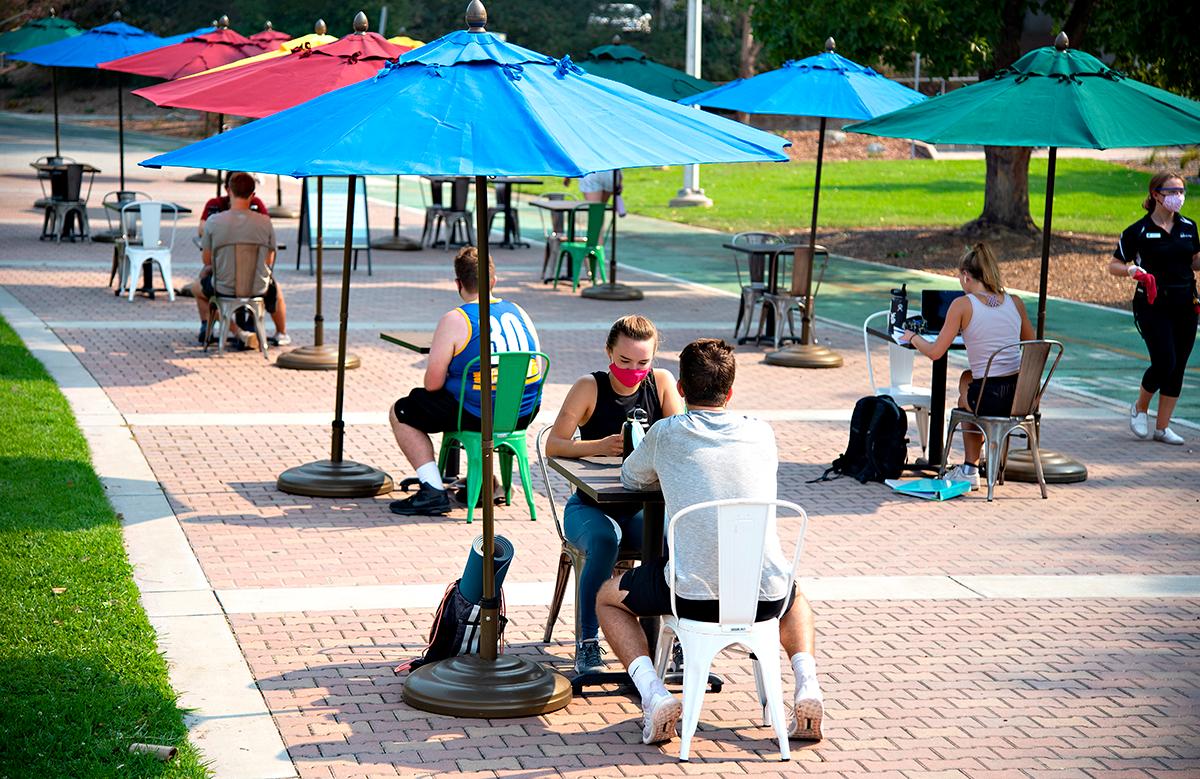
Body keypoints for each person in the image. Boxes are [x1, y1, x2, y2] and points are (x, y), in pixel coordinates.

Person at [596, 338, 824, 746]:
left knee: (607, 599)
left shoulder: (667, 434)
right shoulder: (762, 433)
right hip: (764, 598)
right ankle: (807, 683)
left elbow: (631, 478)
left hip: (691, 597)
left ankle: (653, 693)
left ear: (680, 389)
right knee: (795, 593)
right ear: (731, 391)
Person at [545, 315, 685, 675]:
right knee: (606, 541)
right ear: (609, 352)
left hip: (643, 508)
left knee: (673, 539)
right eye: (624, 361)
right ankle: (587, 643)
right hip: (589, 507)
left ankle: (677, 637)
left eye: (643, 362)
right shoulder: (589, 387)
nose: (634, 370)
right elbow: (553, 444)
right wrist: (600, 446)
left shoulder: (663, 382)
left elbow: (681, 440)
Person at [388, 246, 542, 516]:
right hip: (522, 413)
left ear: (458, 283)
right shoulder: (520, 312)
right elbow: (537, 367)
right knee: (480, 397)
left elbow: (432, 385)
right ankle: (486, 482)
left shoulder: (456, 320)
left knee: (402, 410)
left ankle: (433, 489)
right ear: (494, 280)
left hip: (476, 415)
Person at [902, 242, 1034, 490]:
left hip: (991, 397)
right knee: (967, 378)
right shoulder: (1015, 303)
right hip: (1021, 396)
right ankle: (981, 459)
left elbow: (935, 352)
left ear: (965, 276)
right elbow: (1032, 343)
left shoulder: (963, 305)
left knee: (966, 398)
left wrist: (912, 337)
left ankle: (970, 468)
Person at [1108, 171, 1199, 445]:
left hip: (1186, 302)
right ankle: (1140, 407)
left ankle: (1162, 427)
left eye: (1181, 191)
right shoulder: (1138, 231)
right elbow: (1114, 264)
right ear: (1156, 194)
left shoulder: (1188, 227)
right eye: (1172, 192)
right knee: (1165, 361)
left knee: (1178, 365)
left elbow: (1194, 260)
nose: (1178, 197)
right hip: (1152, 303)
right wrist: (1131, 270)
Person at [190, 172, 290, 349]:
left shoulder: (213, 222)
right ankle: (281, 332)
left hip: (223, 285)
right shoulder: (265, 222)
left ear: (229, 191)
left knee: (197, 287)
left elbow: (206, 260)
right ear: (253, 194)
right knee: (276, 287)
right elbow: (269, 259)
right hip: (258, 287)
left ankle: (234, 331)